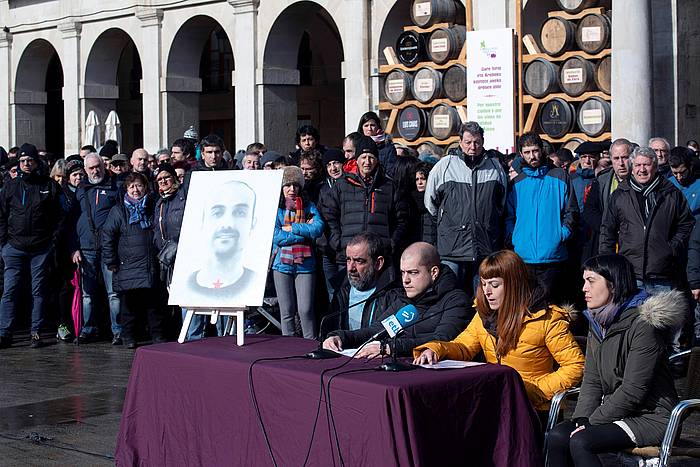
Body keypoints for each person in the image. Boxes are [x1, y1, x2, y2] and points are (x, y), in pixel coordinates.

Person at [546, 255, 684, 467]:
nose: (584, 288)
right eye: (584, 281)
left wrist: (592, 422)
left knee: (582, 441)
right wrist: (582, 418)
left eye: (591, 281)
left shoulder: (644, 325)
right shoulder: (598, 322)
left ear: (613, 284)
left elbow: (634, 389)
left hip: (651, 417)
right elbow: (592, 379)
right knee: (557, 437)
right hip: (615, 411)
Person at [414, 250, 584, 414]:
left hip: (533, 409)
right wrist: (435, 349)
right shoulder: (484, 316)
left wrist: (534, 391)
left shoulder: (547, 318)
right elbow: (464, 346)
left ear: (514, 285)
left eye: (494, 285)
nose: (487, 291)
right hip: (496, 403)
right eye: (484, 284)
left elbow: (575, 365)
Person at [323, 242, 472, 358]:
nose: (405, 280)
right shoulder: (405, 299)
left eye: (413, 273)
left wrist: (390, 348)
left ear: (433, 272)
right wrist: (341, 337)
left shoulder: (456, 300)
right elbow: (377, 330)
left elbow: (441, 339)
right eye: (403, 273)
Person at [424, 121, 508, 297]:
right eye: (468, 142)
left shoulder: (494, 167)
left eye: (477, 142)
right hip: (452, 249)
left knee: (484, 300)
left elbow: (501, 203)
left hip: (484, 247)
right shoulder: (444, 166)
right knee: (450, 298)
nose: (473, 147)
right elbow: (431, 203)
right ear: (460, 141)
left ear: (483, 141)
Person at [599, 146, 694, 291]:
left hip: (663, 275)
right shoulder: (619, 195)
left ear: (655, 167)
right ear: (632, 167)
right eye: (637, 165)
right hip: (630, 274)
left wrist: (672, 247)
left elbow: (686, 224)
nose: (641, 170)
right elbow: (607, 232)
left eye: (646, 165)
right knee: (633, 314)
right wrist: (608, 267)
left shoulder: (671, 194)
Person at [0, 144, 63, 349]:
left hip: (40, 247)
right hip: (14, 246)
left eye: (30, 160)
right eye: (23, 161)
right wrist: (4, 243)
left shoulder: (49, 185)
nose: (27, 164)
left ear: (37, 162)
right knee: (10, 290)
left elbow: (59, 216)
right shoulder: (10, 186)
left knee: (38, 291)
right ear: (18, 164)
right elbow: (1, 215)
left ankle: (36, 331)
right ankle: (4, 332)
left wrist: (52, 241)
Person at [506, 132, 577, 304]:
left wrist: (561, 234)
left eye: (535, 151)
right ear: (521, 154)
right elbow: (509, 216)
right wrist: (515, 238)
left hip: (554, 256)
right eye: (528, 152)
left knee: (553, 308)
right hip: (524, 256)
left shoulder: (559, 176)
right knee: (527, 306)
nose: (533, 156)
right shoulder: (517, 183)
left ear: (542, 150)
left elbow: (572, 211)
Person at [323, 136, 408, 267]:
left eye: (371, 157)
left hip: (379, 256)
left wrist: (392, 243)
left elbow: (402, 219)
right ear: (356, 160)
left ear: (377, 160)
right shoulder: (342, 185)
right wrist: (337, 241)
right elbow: (329, 214)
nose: (367, 162)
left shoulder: (389, 186)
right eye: (363, 157)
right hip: (348, 256)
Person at [102, 172, 164, 349]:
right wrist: (111, 261)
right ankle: (129, 336)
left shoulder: (153, 206)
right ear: (126, 189)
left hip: (150, 263)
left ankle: (157, 334)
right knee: (129, 306)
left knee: (153, 305)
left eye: (139, 186)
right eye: (132, 187)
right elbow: (108, 236)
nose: (136, 190)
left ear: (145, 187)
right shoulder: (119, 210)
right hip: (127, 264)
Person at [72, 153, 123, 344]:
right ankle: (87, 328)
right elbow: (72, 221)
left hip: (109, 248)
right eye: (91, 168)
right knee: (87, 295)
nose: (95, 170)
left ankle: (117, 330)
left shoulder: (115, 187)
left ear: (104, 165)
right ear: (85, 170)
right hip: (86, 249)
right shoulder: (81, 190)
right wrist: (74, 248)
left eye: (98, 166)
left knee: (113, 293)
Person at [271, 166, 324, 339]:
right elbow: (277, 237)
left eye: (295, 185)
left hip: (305, 264)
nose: (292, 189)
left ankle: (310, 343)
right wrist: (303, 232)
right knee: (287, 311)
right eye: (288, 185)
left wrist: (292, 228)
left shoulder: (309, 207)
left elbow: (317, 228)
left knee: (306, 309)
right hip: (281, 264)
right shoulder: (276, 208)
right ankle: (287, 346)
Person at [186, 180, 259, 301]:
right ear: (203, 221)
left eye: (240, 212)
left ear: (252, 223)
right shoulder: (186, 286)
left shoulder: (254, 283)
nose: (227, 224)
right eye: (217, 212)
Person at [320, 232, 398, 336]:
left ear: (378, 263)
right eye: (348, 260)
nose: (351, 268)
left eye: (359, 261)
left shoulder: (393, 294)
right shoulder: (340, 290)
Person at [581, 138, 633, 262]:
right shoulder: (602, 181)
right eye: (616, 158)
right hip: (607, 242)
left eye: (625, 157)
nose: (621, 163)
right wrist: (608, 228)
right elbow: (589, 211)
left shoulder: (641, 182)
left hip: (632, 243)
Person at [357, 111, 398, 176]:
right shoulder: (356, 144)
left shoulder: (387, 146)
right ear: (362, 128)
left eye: (372, 125)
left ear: (378, 126)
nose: (369, 129)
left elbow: (391, 170)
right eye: (366, 126)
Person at [669, 146, 700, 218]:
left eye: (683, 172)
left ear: (691, 167)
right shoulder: (667, 184)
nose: (679, 177)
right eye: (675, 173)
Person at [571, 142, 602, 213]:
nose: (587, 161)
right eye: (584, 157)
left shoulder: (602, 179)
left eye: (591, 157)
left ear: (598, 158)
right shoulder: (571, 179)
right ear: (579, 159)